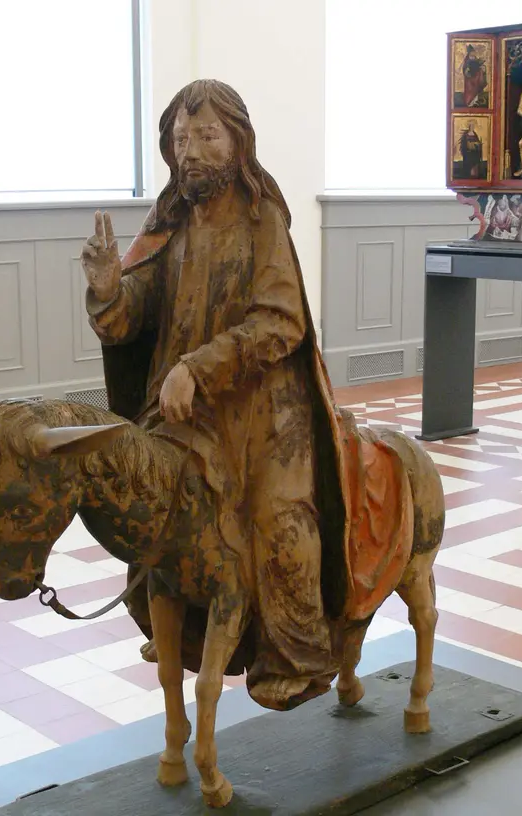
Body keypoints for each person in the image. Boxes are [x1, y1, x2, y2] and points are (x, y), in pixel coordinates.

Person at [80, 79, 349, 712]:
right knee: (149, 502)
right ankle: (188, 629)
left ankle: (294, 654)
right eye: (180, 139)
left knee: (279, 521)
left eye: (206, 135)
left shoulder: (263, 220)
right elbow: (132, 322)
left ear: (237, 140)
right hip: (180, 406)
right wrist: (109, 289)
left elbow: (281, 320)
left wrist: (200, 367)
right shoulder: (169, 224)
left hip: (260, 411)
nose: (192, 151)